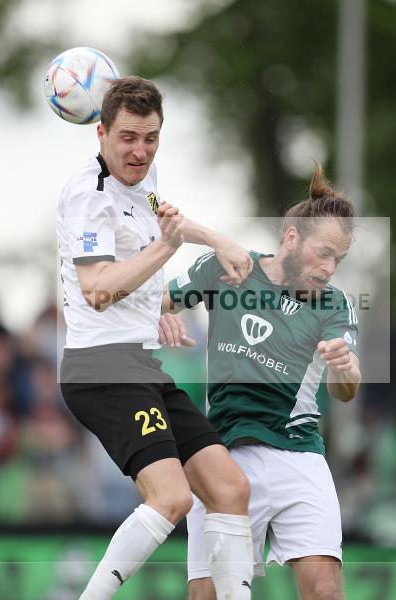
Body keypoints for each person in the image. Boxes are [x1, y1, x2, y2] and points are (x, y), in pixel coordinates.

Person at [57, 76, 255, 600]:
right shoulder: (88, 198)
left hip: (141, 365)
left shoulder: (141, 176)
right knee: (171, 498)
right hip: (102, 370)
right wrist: (163, 256)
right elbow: (98, 289)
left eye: (150, 137)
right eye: (127, 138)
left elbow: (161, 221)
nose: (139, 150)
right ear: (99, 132)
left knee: (230, 489)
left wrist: (213, 241)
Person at [159, 165, 361, 600]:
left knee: (326, 593)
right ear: (292, 237)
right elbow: (153, 299)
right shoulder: (229, 268)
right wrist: (159, 313)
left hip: (299, 455)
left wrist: (345, 367)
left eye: (338, 260)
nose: (329, 268)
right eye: (323, 252)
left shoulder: (333, 303)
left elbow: (347, 388)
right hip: (222, 456)